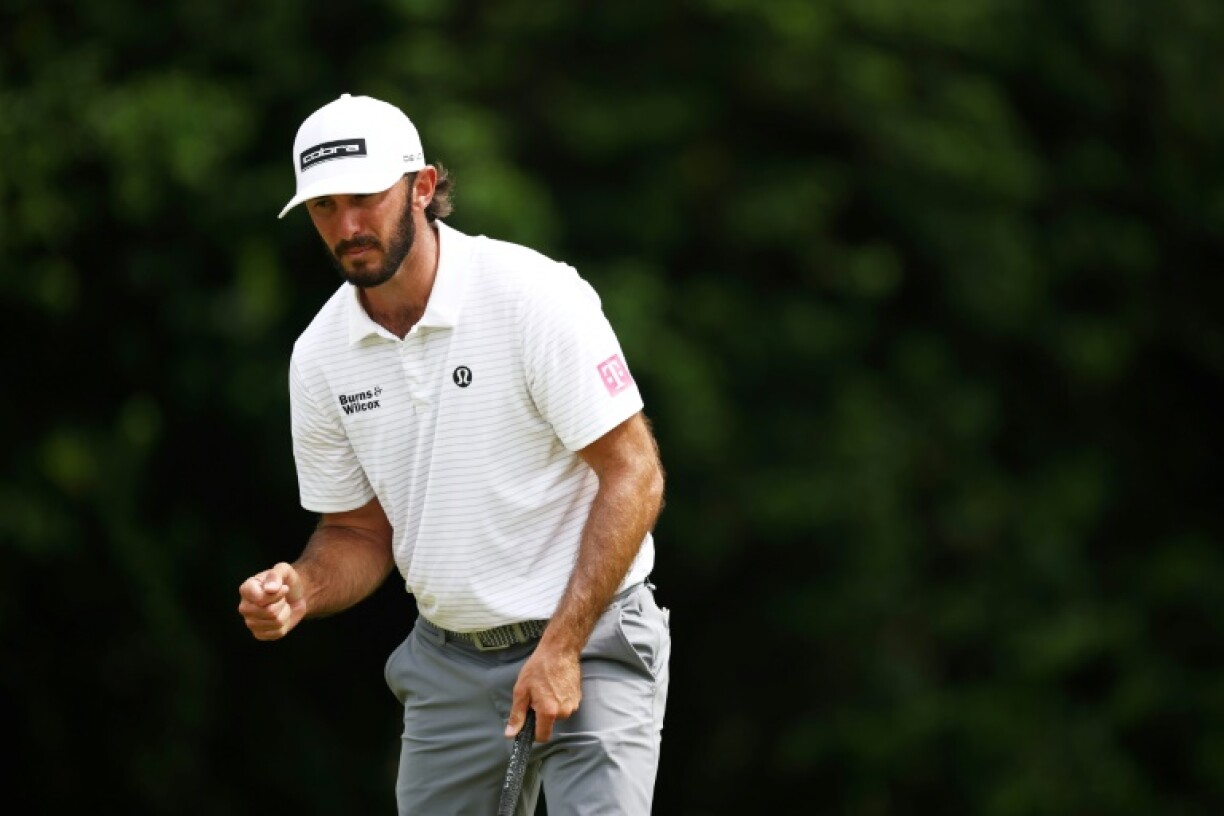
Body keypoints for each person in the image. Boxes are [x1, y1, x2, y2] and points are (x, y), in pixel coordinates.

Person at [237, 93, 671, 815]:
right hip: (449, 663)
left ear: (424, 188)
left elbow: (635, 473)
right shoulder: (318, 357)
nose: (346, 227)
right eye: (322, 208)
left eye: (365, 199)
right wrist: (303, 588)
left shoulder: (531, 296)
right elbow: (358, 531)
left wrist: (562, 646)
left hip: (592, 638)